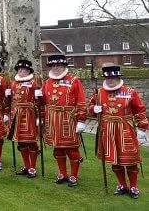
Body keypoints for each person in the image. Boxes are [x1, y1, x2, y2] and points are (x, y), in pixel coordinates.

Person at [89, 64, 148, 199]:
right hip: (107, 130)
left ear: (118, 77)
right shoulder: (98, 92)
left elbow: (140, 110)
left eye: (114, 77)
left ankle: (133, 186)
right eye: (108, 78)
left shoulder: (130, 92)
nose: (111, 80)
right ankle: (122, 185)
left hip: (125, 129)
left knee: (130, 159)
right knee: (114, 159)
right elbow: (90, 107)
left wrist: (142, 128)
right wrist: (94, 109)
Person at [39, 54, 87, 187]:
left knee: (72, 149)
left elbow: (81, 101)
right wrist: (40, 111)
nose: (56, 68)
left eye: (58, 66)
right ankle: (63, 173)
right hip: (52, 119)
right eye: (53, 66)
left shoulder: (74, 81)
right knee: (58, 149)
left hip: (68, 119)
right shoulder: (47, 82)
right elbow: (43, 103)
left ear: (64, 66)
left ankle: (74, 175)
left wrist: (81, 120)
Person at [8, 59, 41, 178]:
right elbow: (10, 101)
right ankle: (26, 165)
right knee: (21, 142)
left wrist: (40, 116)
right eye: (20, 69)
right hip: (17, 115)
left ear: (29, 71)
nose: (22, 71)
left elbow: (40, 102)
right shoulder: (13, 84)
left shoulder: (34, 83)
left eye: (25, 69)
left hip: (29, 114)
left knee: (31, 142)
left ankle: (33, 167)